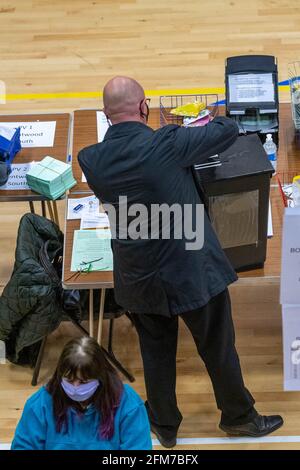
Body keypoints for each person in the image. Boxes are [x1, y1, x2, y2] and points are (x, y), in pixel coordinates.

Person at [78, 76, 283, 448]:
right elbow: (226, 128)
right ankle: (238, 417)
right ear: (143, 107)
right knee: (217, 346)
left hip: (139, 275)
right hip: (191, 268)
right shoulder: (169, 143)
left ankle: (164, 424)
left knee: (155, 352)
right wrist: (195, 120)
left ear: (106, 115)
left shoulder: (90, 159)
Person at [11, 337, 152, 450]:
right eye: (69, 380)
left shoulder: (128, 405)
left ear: (100, 377)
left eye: (83, 382)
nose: (75, 388)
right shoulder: (40, 405)